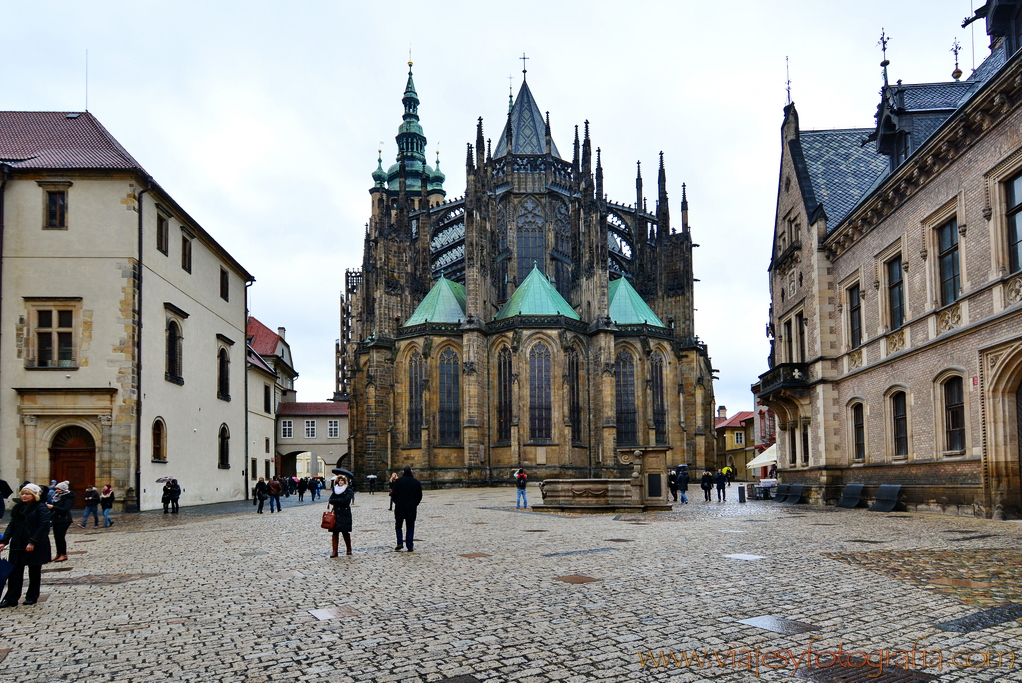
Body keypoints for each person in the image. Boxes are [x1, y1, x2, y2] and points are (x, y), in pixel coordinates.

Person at [0, 484, 52, 607]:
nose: (24, 496)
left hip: (35, 544)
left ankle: (32, 596)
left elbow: (43, 525)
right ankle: (11, 598)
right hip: (18, 543)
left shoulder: (40, 508)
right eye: (23, 494)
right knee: (15, 572)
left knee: (34, 571)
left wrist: (33, 541)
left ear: (34, 495)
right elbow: (12, 525)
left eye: (27, 494)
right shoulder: (18, 508)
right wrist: (4, 541)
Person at [391, 466, 422, 552]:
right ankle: (409, 545)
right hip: (411, 508)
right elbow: (419, 496)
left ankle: (400, 542)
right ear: (411, 472)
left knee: (398, 526)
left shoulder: (398, 482)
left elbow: (394, 495)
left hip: (400, 507)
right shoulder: (416, 482)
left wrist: (397, 502)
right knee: (410, 527)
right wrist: (415, 503)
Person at [327, 474, 355, 557]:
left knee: (345, 531)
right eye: (339, 480)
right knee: (335, 532)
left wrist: (337, 500)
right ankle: (335, 551)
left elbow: (346, 501)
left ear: (345, 482)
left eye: (342, 480)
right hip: (336, 513)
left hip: (344, 513)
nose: (340, 482)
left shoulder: (348, 490)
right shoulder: (335, 489)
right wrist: (339, 499)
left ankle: (349, 549)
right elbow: (331, 500)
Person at [46, 481, 74, 561]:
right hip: (56, 518)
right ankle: (58, 554)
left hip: (64, 519)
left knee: (60, 537)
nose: (57, 490)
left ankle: (63, 554)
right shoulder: (56, 496)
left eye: (59, 489)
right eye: (57, 489)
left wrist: (53, 507)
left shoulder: (68, 497)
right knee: (56, 537)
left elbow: (66, 509)